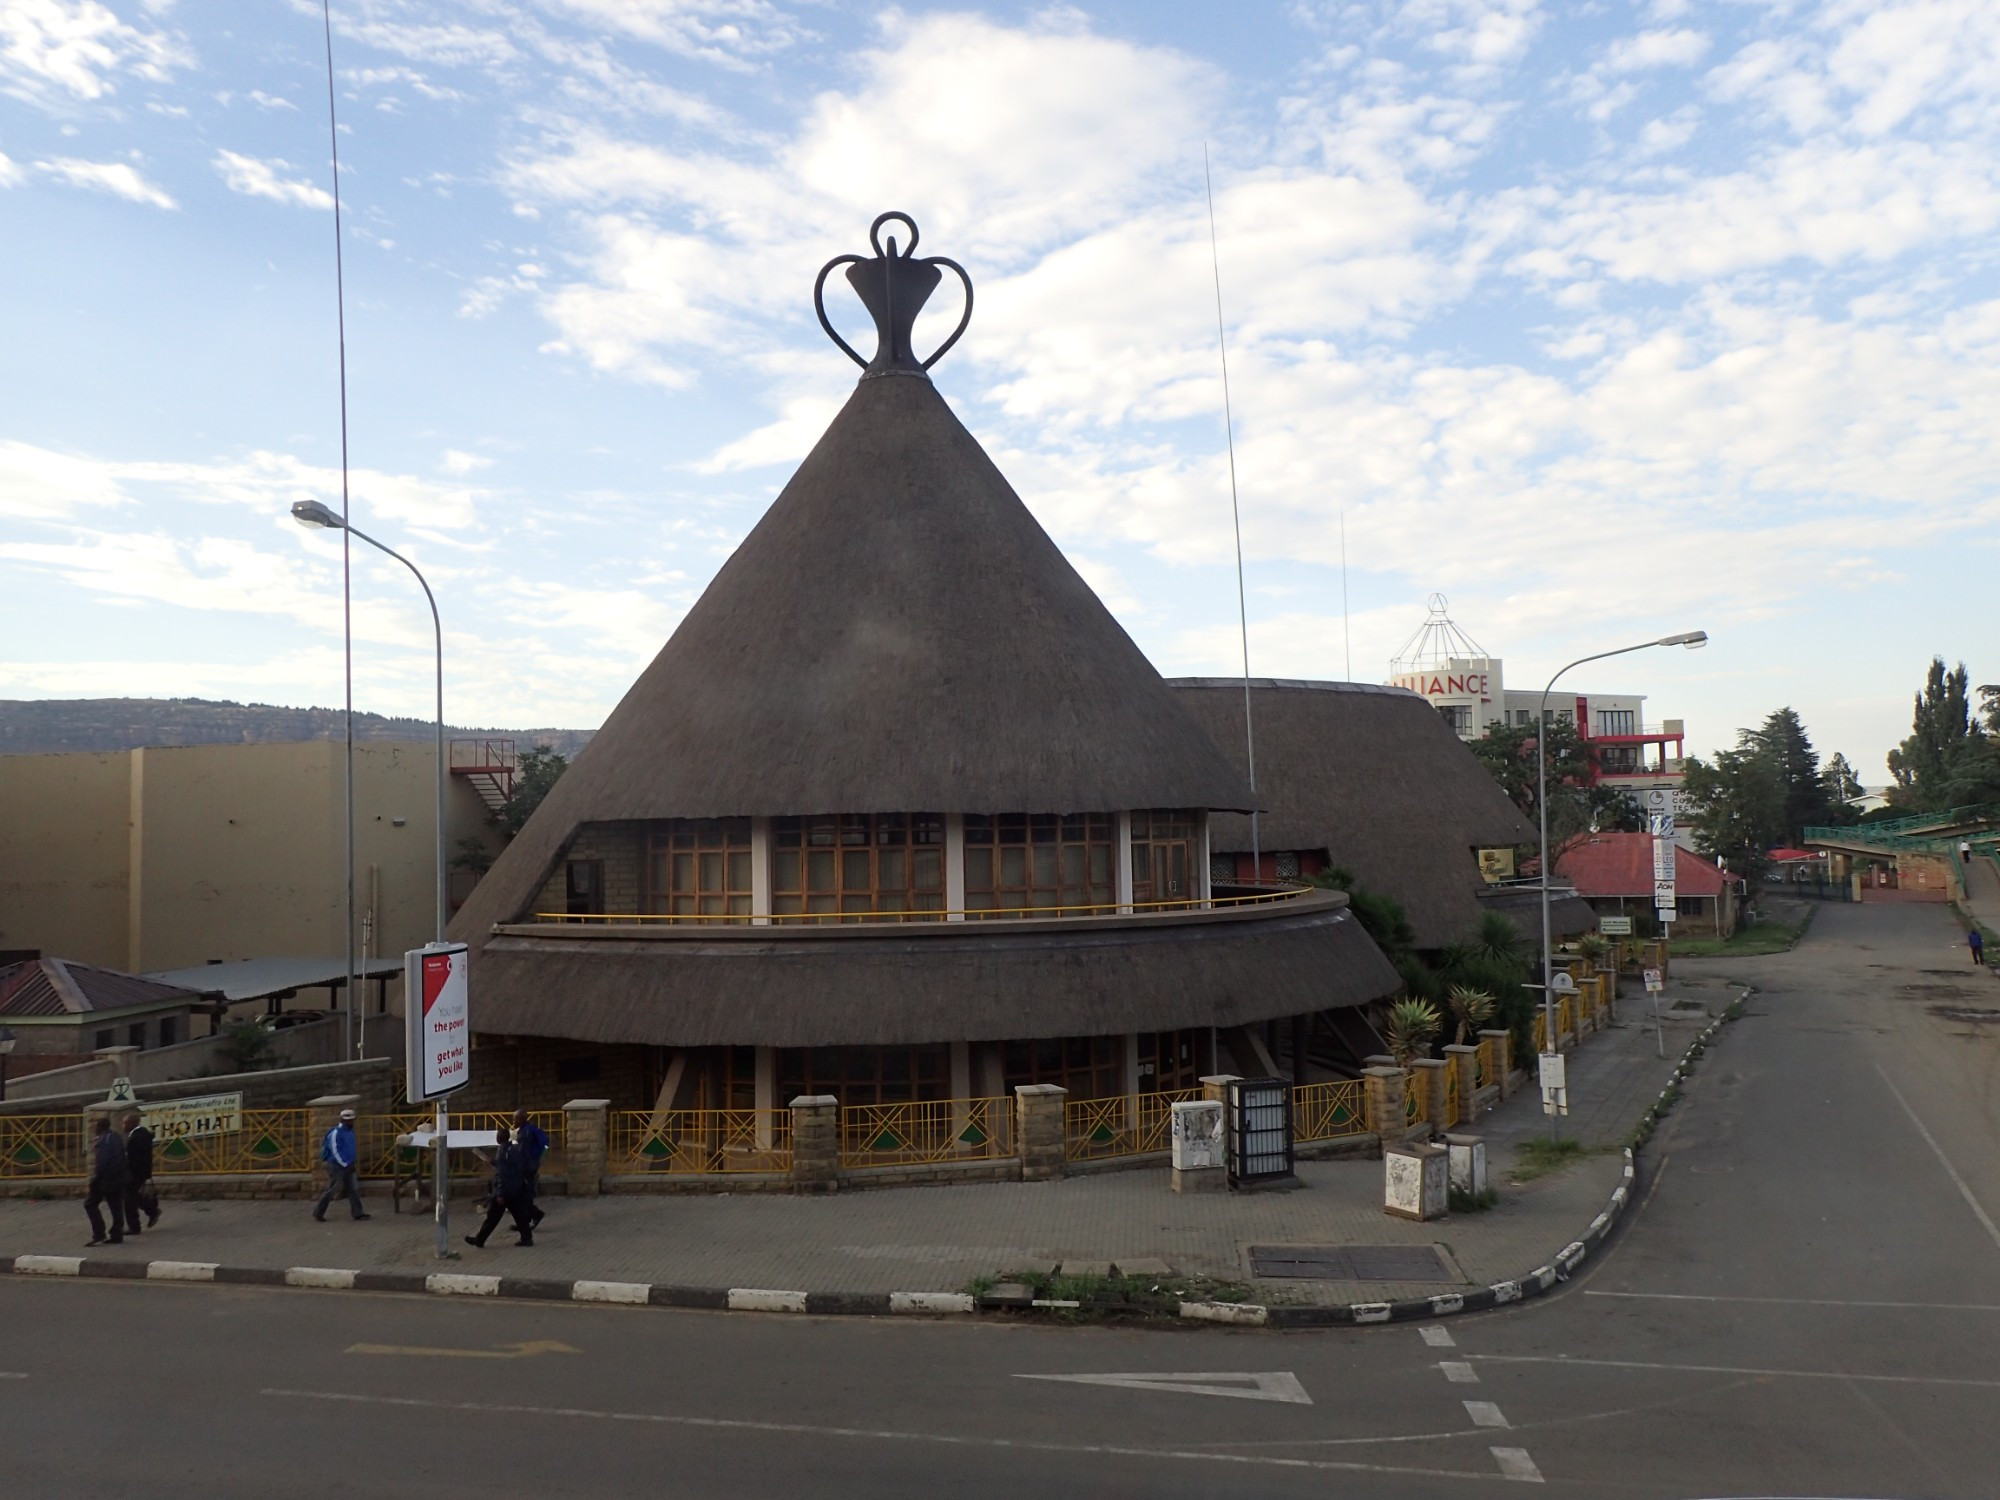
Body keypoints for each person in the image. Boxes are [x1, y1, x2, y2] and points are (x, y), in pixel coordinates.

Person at [463, 1125, 534, 1249]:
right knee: (519, 1215)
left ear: (499, 1139)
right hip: (516, 1188)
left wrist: (500, 1193)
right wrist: (494, 1162)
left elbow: (503, 1174)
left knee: (493, 1216)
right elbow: (513, 1168)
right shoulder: (513, 1149)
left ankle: (480, 1239)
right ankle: (527, 1238)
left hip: (505, 1191)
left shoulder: (502, 1152)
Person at [313, 1108, 370, 1222]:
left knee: (353, 1189)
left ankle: (357, 1213)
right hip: (336, 1166)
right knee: (332, 1190)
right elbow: (335, 1151)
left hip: (349, 1164)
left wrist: (350, 1163)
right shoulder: (335, 1133)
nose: (351, 1122)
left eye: (352, 1120)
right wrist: (344, 1163)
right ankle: (318, 1212)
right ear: (342, 1120)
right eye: (348, 1120)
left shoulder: (350, 1132)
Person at [84, 1115, 129, 1247]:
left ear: (99, 1127)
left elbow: (103, 1162)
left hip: (105, 1179)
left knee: (90, 1204)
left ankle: (99, 1234)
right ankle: (117, 1234)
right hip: (117, 1178)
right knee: (116, 1206)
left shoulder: (104, 1141)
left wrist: (95, 1179)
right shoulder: (115, 1136)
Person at [513, 1107, 549, 1230]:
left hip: (527, 1167)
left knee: (523, 1195)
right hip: (531, 1165)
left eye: (515, 1118)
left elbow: (523, 1153)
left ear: (521, 1119)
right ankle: (525, 1222)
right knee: (524, 1194)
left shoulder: (526, 1133)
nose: (513, 1121)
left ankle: (536, 1215)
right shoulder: (526, 1129)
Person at [122, 1111, 158, 1234]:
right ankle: (152, 1210)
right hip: (140, 1173)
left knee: (129, 1199)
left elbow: (136, 1158)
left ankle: (134, 1226)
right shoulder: (142, 1134)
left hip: (135, 1173)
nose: (123, 1126)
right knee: (133, 1197)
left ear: (132, 1123)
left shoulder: (137, 1137)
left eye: (125, 1123)